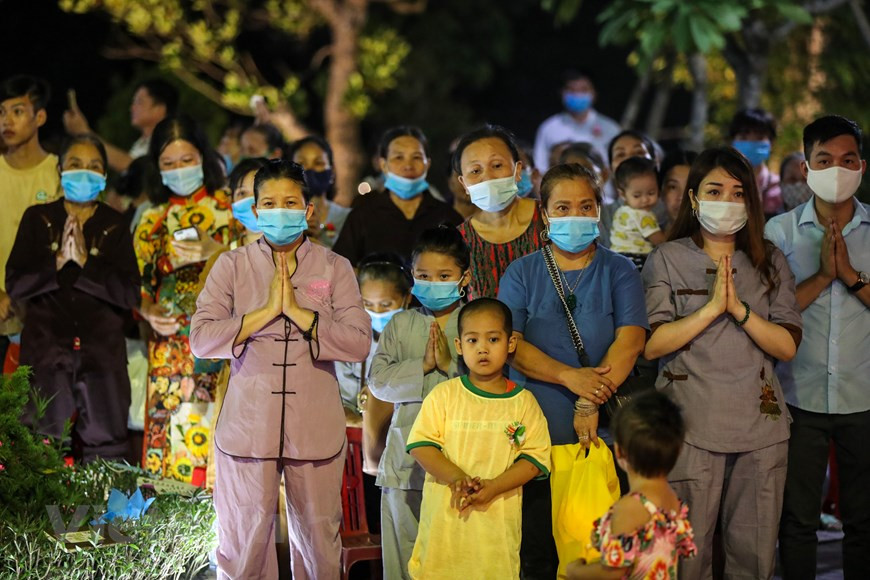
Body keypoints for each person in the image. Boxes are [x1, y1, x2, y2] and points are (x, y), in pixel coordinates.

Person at [189, 159, 371, 579]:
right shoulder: (231, 266)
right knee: (242, 542)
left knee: (319, 545)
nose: (279, 210)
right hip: (248, 424)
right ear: (254, 211)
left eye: (290, 202)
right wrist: (267, 312)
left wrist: (302, 315)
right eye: (269, 202)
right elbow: (201, 338)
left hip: (315, 424)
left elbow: (359, 341)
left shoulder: (334, 266)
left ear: (308, 210)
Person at [642, 146, 803, 579]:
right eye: (715, 191)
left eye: (738, 193)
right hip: (688, 428)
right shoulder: (667, 259)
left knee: (752, 557)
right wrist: (711, 309)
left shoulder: (770, 261)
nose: (728, 202)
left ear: (751, 202)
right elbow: (653, 344)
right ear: (694, 199)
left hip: (760, 429)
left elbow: (786, 346)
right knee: (685, 557)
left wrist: (741, 311)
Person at [497, 163, 649, 578]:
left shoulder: (619, 270)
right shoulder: (522, 272)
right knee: (538, 555)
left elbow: (631, 340)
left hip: (602, 439)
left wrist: (589, 397)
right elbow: (512, 345)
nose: (574, 216)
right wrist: (570, 377)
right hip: (535, 440)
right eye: (562, 207)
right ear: (545, 215)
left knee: (600, 556)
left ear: (600, 209)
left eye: (585, 206)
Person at [765, 115, 870, 579]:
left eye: (847, 160)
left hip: (863, 396)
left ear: (862, 167)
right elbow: (769, 312)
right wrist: (824, 276)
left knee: (864, 523)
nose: (836, 170)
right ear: (805, 170)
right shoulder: (778, 233)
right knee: (798, 522)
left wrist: (850, 277)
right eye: (824, 160)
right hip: (797, 396)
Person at [5, 134, 140, 461]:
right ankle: (48, 515)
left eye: (94, 167)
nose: (84, 173)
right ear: (61, 170)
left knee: (105, 449)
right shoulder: (38, 219)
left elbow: (129, 293)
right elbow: (16, 284)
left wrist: (85, 263)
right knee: (40, 448)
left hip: (103, 358)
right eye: (76, 165)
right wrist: (56, 264)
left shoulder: (115, 225)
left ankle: (95, 514)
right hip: (46, 354)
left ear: (105, 177)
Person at [405, 297, 552, 579]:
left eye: (493, 339)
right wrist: (457, 478)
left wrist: (495, 486)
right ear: (459, 346)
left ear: (510, 344)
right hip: (444, 533)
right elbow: (422, 446)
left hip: (494, 537)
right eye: (472, 341)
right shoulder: (444, 395)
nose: (482, 348)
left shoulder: (523, 403)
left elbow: (534, 460)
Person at [134, 115, 236, 484]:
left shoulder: (231, 207)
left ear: (204, 158)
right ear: (156, 168)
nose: (179, 170)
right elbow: (140, 285)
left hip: (224, 345)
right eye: (169, 164)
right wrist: (146, 310)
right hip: (170, 350)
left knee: (220, 438)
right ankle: (170, 532)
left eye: (187, 160)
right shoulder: (151, 220)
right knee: (170, 442)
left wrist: (217, 250)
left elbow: (257, 265)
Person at [368, 226, 469, 580]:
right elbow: (378, 381)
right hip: (404, 460)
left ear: (464, 277)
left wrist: (450, 365)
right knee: (403, 559)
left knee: (455, 558)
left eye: (444, 276)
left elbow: (487, 385)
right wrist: (425, 367)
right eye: (424, 276)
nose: (433, 283)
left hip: (461, 460)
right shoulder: (401, 324)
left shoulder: (475, 322)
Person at [566, 391, 697, 579]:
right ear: (677, 451)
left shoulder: (631, 506)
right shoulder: (671, 498)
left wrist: (575, 571)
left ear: (619, 452)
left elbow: (615, 571)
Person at [333, 126, 461, 266]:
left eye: (417, 157)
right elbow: (341, 269)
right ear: (383, 164)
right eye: (398, 157)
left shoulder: (447, 217)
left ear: (428, 164)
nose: (408, 165)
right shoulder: (362, 216)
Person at [0, 75, 61, 367]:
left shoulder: (59, 174)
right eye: (1, 112)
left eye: (17, 111)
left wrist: (25, 296)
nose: (6, 121)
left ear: (40, 116)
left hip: (42, 323)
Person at [454, 125, 546, 299]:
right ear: (463, 184)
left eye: (497, 165)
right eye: (475, 171)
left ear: (517, 170)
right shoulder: (460, 240)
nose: (487, 176)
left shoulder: (550, 219)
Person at [63, 78, 178, 173]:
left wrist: (84, 132)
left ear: (159, 109)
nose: (132, 108)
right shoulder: (140, 144)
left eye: (139, 102)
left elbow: (132, 167)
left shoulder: (169, 142)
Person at [533, 69, 621, 171]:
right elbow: (540, 168)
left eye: (584, 90)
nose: (577, 94)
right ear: (562, 93)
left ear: (594, 94)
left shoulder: (610, 128)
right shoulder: (549, 128)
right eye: (571, 90)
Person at [287, 135, 351, 248]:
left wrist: (318, 240)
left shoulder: (348, 219)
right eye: (301, 164)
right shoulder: (280, 218)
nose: (309, 170)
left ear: (332, 172)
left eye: (318, 163)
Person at [609, 156, 666, 266]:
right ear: (622, 194)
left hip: (615, 257)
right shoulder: (643, 215)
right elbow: (659, 241)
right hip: (636, 258)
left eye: (651, 193)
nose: (645, 200)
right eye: (637, 195)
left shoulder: (621, 211)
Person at [729, 108, 783, 218]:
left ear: (771, 143)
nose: (751, 143)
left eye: (759, 137)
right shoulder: (722, 183)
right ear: (732, 141)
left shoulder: (780, 187)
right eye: (744, 137)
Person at [659, 150, 698, 227]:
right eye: (673, 187)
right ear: (661, 192)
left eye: (690, 187)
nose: (682, 197)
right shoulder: (638, 237)